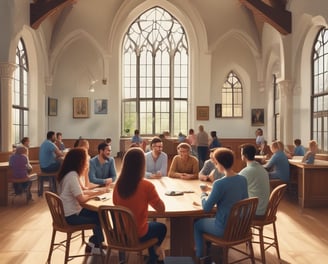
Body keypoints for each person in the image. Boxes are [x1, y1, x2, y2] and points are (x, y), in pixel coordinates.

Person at [113, 147, 167, 264]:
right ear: (142, 165)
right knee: (162, 228)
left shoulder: (118, 184)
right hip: (139, 234)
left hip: (119, 234)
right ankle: (155, 256)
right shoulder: (146, 186)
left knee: (150, 225)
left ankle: (154, 257)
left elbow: (115, 203)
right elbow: (161, 210)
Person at [193, 147, 248, 261]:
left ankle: (200, 256)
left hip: (224, 228)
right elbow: (245, 201)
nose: (216, 166)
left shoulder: (220, 183)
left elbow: (207, 208)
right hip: (240, 226)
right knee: (208, 220)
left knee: (197, 224)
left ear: (220, 164)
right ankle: (208, 251)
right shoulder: (242, 179)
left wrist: (203, 195)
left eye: (216, 163)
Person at [57, 148, 108, 254]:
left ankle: (93, 244)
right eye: (86, 160)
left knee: (99, 214)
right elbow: (81, 198)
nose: (87, 162)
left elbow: (84, 189)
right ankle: (96, 244)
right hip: (70, 216)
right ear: (79, 161)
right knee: (99, 218)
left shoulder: (71, 174)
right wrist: (97, 193)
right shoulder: (72, 176)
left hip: (71, 212)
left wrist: (99, 190)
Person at [239, 144, 270, 216]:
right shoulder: (261, 168)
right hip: (263, 208)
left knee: (227, 208)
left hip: (254, 211)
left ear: (244, 156)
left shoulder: (246, 171)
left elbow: (234, 188)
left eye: (241, 154)